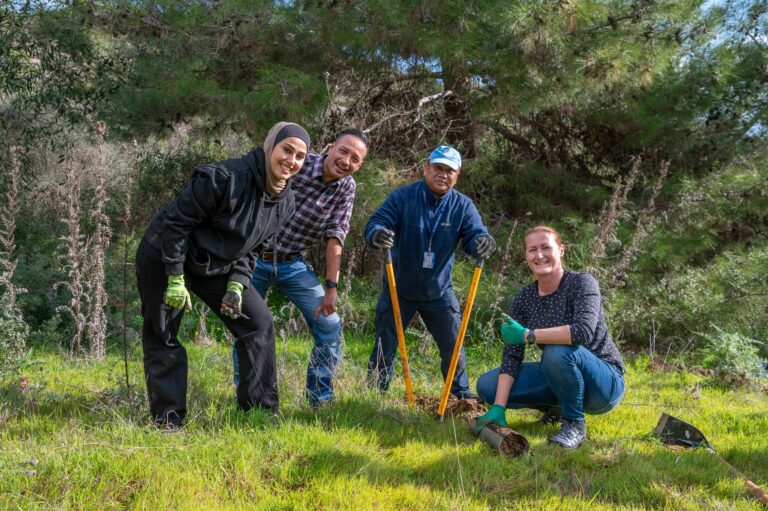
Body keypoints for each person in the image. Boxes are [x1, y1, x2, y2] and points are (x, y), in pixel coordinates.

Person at [136, 122, 310, 427]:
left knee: (258, 323)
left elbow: (252, 248)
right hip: (167, 252)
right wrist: (175, 277)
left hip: (214, 264)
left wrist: (237, 285)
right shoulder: (225, 177)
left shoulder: (285, 202)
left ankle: (258, 413)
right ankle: (168, 420)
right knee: (163, 331)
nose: (291, 160)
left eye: (300, 156)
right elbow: (176, 223)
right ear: (271, 145)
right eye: (287, 149)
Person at [232, 128, 369, 407]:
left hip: (291, 262)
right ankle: (245, 391)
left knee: (329, 323)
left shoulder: (346, 187)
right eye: (343, 151)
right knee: (248, 324)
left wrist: (331, 287)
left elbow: (335, 237)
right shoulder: (299, 163)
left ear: (359, 165)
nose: (346, 161)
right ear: (331, 146)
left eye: (355, 159)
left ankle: (319, 398)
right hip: (254, 257)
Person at [474, 225, 625, 449]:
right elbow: (512, 354)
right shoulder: (524, 297)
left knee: (556, 351)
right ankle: (556, 407)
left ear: (561, 250)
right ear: (526, 256)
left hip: (604, 383)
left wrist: (528, 334)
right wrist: (499, 406)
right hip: (561, 371)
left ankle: (574, 424)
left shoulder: (582, 283)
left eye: (546, 247)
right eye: (532, 250)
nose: (539, 255)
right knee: (487, 385)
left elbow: (582, 332)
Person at [365, 145, 496, 398]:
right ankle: (374, 394)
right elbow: (376, 224)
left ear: (457, 176)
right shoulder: (402, 197)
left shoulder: (463, 206)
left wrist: (483, 242)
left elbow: (475, 236)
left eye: (450, 170)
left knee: (453, 345)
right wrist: (377, 234)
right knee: (385, 343)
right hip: (399, 288)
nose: (443, 174)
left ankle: (460, 396)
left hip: (439, 292)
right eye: (438, 168)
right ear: (426, 168)